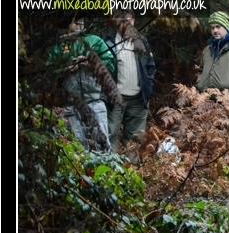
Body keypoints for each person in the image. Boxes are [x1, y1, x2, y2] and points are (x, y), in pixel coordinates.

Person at [47, 15, 116, 152]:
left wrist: (91, 63)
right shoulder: (58, 47)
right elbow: (48, 73)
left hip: (95, 100)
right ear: (68, 23)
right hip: (70, 105)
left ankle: (108, 170)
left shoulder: (94, 41)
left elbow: (111, 65)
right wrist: (66, 69)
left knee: (102, 143)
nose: (79, 23)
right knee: (79, 146)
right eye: (75, 20)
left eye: (82, 19)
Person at [103, 10, 156, 153]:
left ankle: (131, 171)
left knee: (135, 139)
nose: (127, 23)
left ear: (134, 21)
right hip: (116, 99)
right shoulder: (109, 43)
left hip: (139, 99)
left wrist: (148, 90)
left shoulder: (141, 42)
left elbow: (150, 67)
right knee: (110, 133)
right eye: (123, 20)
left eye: (130, 20)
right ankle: (109, 168)